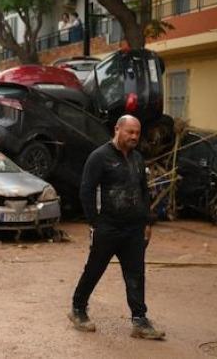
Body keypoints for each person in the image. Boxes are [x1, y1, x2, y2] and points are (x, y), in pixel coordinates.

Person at [68, 115, 165, 340]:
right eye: (130, 132)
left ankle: (139, 320)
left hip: (133, 229)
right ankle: (78, 309)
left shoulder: (138, 159)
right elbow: (86, 191)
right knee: (94, 269)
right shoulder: (99, 157)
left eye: (137, 133)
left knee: (136, 274)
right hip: (107, 227)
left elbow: (143, 191)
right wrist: (95, 222)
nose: (134, 137)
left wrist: (147, 222)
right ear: (117, 129)